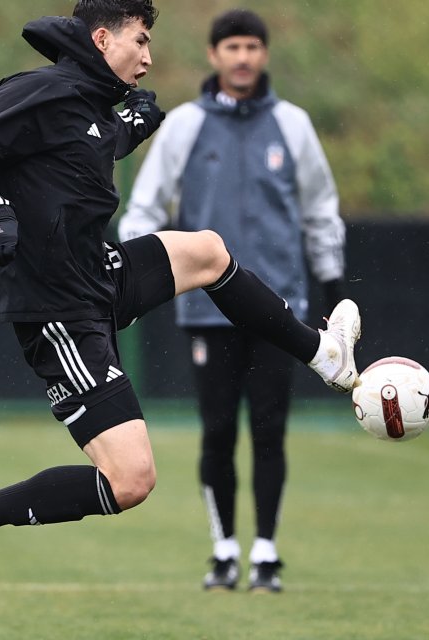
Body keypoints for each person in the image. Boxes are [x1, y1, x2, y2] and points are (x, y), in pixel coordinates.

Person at [0, 0, 362, 600]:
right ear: (103, 39)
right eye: (141, 42)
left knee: (206, 250)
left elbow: (77, 151)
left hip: (99, 273)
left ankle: (323, 354)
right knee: (130, 480)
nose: (149, 59)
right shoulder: (38, 90)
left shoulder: (91, 104)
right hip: (58, 310)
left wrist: (127, 127)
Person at [117, 8, 344, 594]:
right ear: (214, 56)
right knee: (217, 430)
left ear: (264, 54)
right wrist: (150, 274)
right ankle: (223, 551)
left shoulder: (293, 126)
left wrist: (333, 289)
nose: (243, 57)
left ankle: (265, 551)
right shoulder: (186, 125)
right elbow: (143, 209)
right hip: (206, 309)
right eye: (232, 47)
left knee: (270, 430)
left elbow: (320, 211)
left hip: (281, 309)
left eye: (252, 47)